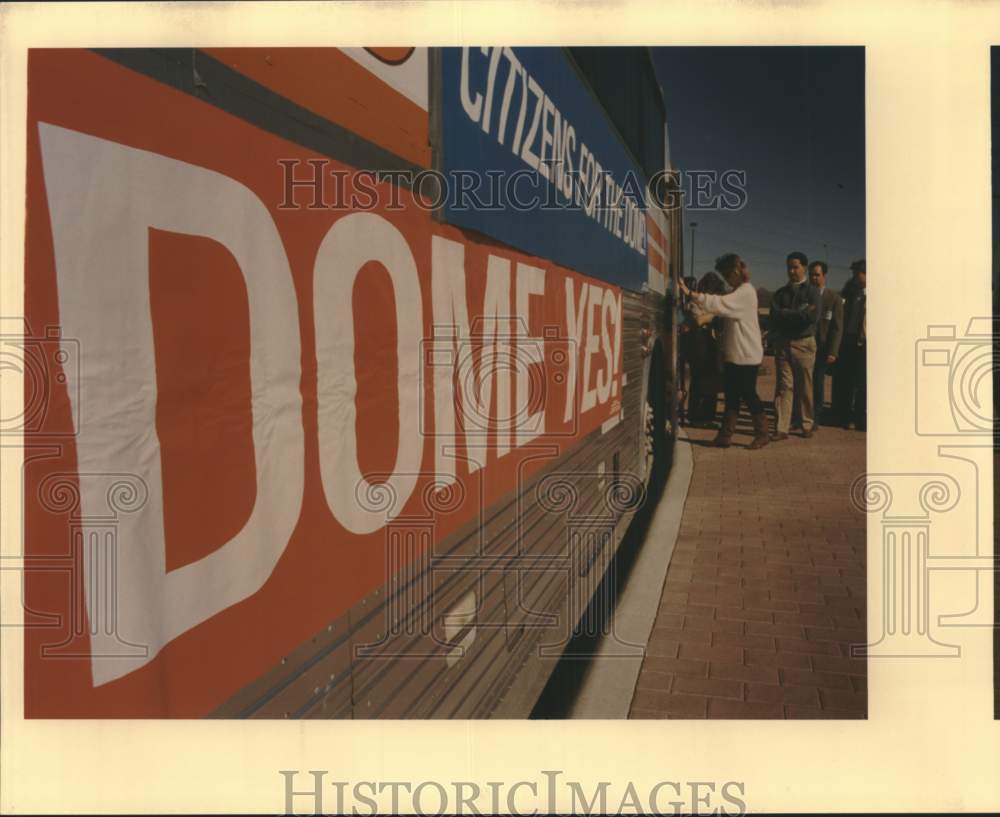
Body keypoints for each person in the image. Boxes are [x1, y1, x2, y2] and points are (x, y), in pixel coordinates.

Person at [678, 253, 769, 449]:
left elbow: (719, 304)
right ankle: (725, 436)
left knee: (748, 395)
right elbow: (719, 306)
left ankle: (762, 432)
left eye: (728, 275)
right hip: (737, 355)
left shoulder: (745, 292)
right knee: (732, 396)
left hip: (746, 356)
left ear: (736, 271)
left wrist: (692, 294)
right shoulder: (739, 291)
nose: (727, 280)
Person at [769, 251, 821, 440]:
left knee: (805, 385)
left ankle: (806, 423)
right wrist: (796, 314)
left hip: (804, 344)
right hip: (783, 345)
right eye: (789, 267)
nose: (792, 271)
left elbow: (811, 317)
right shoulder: (781, 293)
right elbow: (774, 316)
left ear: (804, 268)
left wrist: (786, 314)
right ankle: (781, 428)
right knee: (784, 386)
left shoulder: (813, 292)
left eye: (795, 267)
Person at [684, 271, 727, 426]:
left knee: (707, 380)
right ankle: (700, 416)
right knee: (703, 380)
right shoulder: (696, 303)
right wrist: (712, 316)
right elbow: (699, 320)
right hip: (701, 344)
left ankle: (703, 416)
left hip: (706, 344)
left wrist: (710, 317)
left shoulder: (699, 302)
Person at [809, 260, 844, 427]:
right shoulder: (805, 294)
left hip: (822, 348)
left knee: (817, 382)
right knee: (803, 383)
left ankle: (816, 416)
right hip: (804, 346)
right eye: (811, 275)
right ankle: (800, 415)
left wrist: (833, 351)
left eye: (817, 275)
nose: (814, 278)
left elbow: (837, 327)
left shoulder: (834, 298)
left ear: (824, 276)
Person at [833, 258, 867, 430]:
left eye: (857, 273)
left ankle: (861, 418)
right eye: (853, 273)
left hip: (866, 345)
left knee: (863, 383)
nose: (854, 276)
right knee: (848, 381)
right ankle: (845, 415)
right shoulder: (852, 293)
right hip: (850, 341)